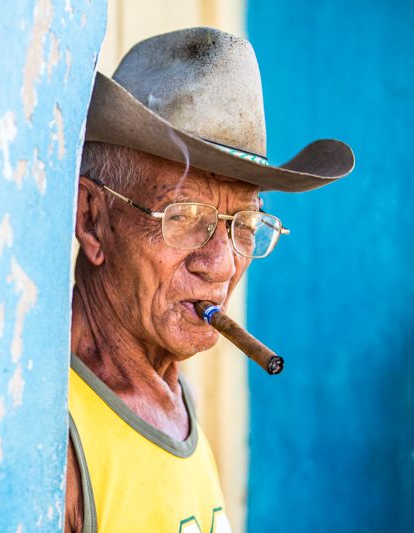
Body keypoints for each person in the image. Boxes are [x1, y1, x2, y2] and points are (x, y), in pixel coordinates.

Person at [63, 27, 353, 533]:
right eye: (183, 216)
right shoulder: (54, 444)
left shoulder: (173, 395)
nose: (220, 264)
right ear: (92, 218)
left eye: (245, 224)